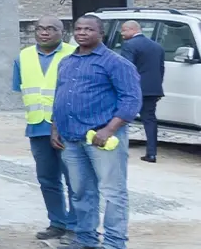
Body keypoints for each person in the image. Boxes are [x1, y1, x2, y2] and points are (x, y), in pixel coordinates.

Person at [52, 14, 141, 249]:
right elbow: (60, 96)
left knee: (113, 192)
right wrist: (55, 128)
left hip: (103, 138)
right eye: (78, 28)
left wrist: (109, 129)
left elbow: (131, 100)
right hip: (71, 139)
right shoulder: (67, 62)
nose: (82, 33)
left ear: (101, 33)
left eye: (89, 29)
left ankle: (114, 242)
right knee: (81, 192)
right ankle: (86, 239)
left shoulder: (116, 63)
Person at [13, 17, 73, 242]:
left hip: (68, 129)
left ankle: (76, 226)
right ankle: (57, 223)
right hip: (37, 127)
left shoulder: (74, 54)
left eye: (50, 29)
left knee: (75, 180)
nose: (44, 33)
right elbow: (21, 88)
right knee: (48, 180)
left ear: (62, 32)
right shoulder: (23, 56)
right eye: (40, 28)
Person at [117, 20, 163, 163]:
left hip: (133, 89)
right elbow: (161, 69)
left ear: (132, 29)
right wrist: (157, 88)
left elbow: (127, 68)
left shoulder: (129, 45)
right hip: (152, 89)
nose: (122, 34)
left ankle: (118, 150)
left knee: (121, 117)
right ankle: (151, 154)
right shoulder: (157, 46)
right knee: (150, 120)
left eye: (124, 30)